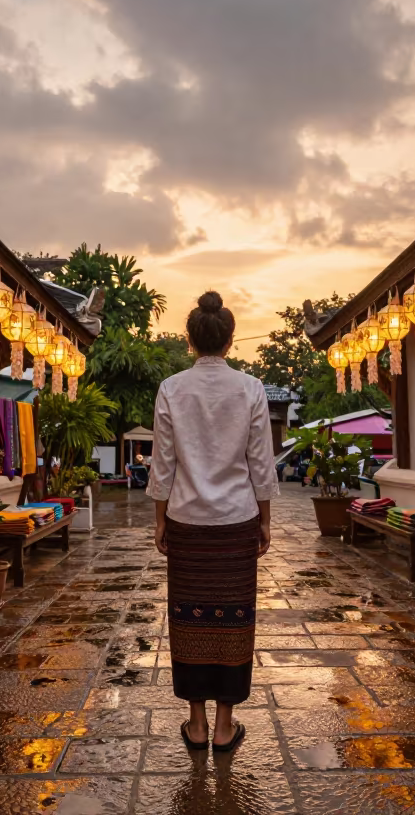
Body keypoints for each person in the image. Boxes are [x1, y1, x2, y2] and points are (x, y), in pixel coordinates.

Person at [147, 291, 277, 753]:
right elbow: (261, 462)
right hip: (236, 519)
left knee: (189, 618)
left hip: (187, 520)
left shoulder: (172, 388)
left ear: (190, 339)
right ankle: (226, 726)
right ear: (230, 340)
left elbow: (162, 464)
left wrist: (159, 521)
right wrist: (265, 520)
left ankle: (196, 724)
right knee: (233, 621)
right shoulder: (251, 388)